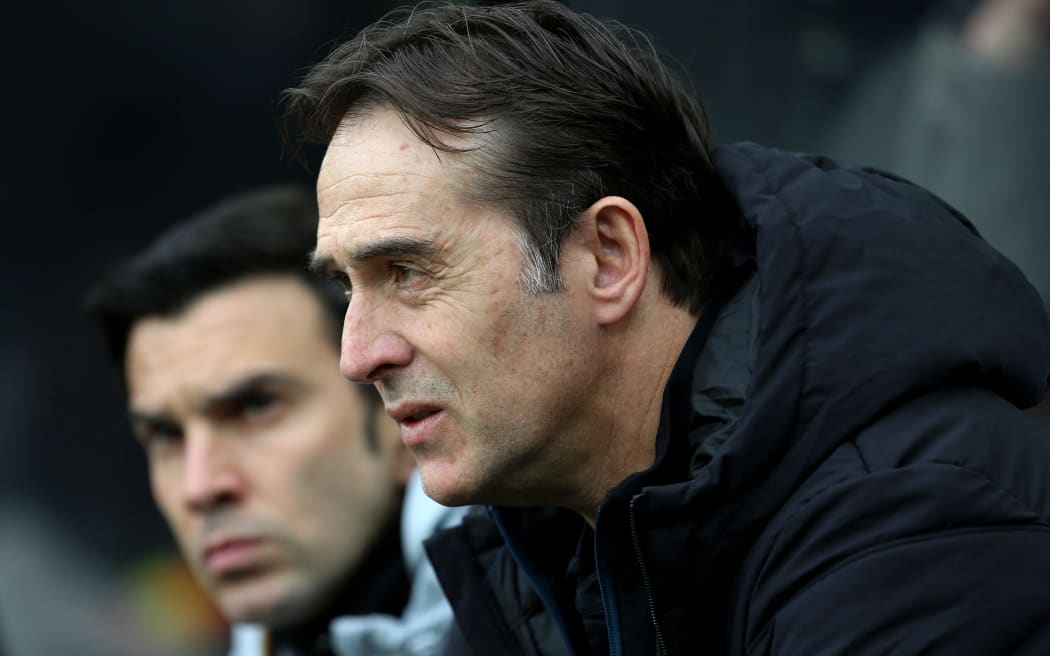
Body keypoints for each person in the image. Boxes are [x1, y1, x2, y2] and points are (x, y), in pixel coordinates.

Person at [285, 1, 1050, 654]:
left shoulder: (910, 527)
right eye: (345, 288)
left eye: (408, 273)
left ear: (609, 258)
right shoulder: (535, 546)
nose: (358, 356)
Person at [86, 185, 463, 656]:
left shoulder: (565, 605)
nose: (200, 487)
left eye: (258, 407)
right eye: (166, 435)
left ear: (396, 413)